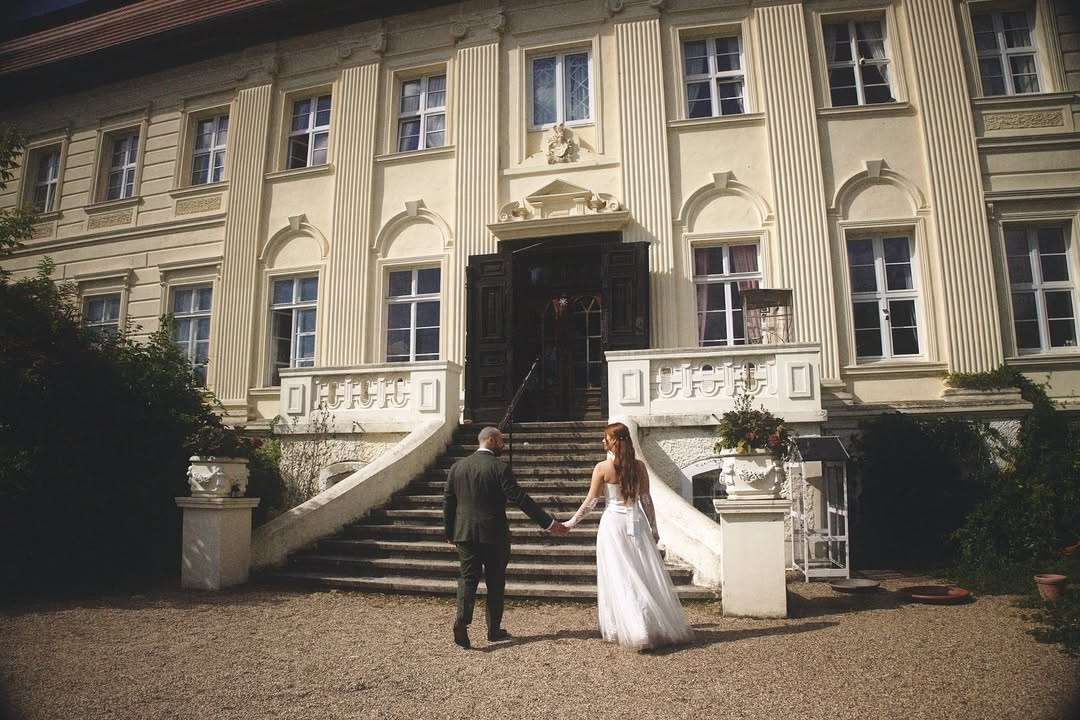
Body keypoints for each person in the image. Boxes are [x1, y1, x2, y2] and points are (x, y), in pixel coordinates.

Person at [562, 422, 693, 651]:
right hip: (637, 522)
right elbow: (646, 500)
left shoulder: (602, 468)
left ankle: (634, 628)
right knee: (642, 573)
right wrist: (653, 528)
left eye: (605, 438)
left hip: (613, 525)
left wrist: (571, 522)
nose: (602, 441)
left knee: (619, 574)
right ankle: (651, 624)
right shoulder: (639, 466)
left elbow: (591, 501)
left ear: (613, 441)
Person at [443, 426, 568, 649]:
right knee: (495, 581)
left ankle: (462, 620)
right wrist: (548, 523)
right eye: (501, 441)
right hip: (494, 534)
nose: (503, 445)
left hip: (464, 533)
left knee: (467, 579)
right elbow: (520, 499)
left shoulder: (457, 467)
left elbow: (448, 502)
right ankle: (493, 629)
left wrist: (449, 531)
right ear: (491, 440)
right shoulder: (499, 468)